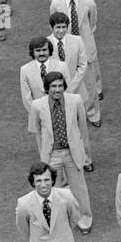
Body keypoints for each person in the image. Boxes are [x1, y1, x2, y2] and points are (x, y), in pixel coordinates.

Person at [31, 73, 95, 231]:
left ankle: (84, 219)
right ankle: (58, 220)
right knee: (53, 189)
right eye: (53, 86)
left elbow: (82, 128)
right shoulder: (37, 106)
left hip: (72, 152)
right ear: (47, 88)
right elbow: (37, 132)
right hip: (52, 155)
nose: (57, 89)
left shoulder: (76, 100)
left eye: (60, 86)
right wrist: (43, 155)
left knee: (78, 187)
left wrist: (83, 153)